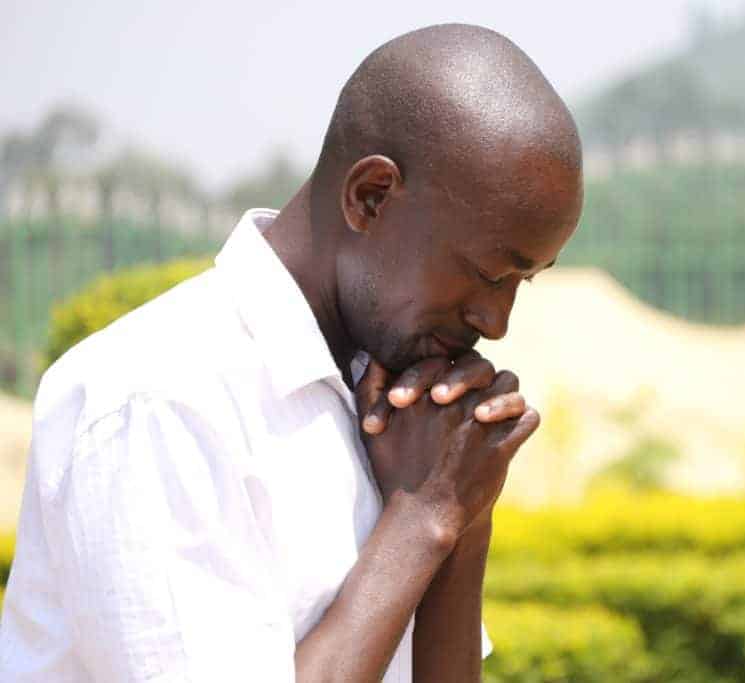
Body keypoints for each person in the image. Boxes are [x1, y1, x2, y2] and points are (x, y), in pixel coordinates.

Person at [0, 23, 583, 683]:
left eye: (523, 282)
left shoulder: (401, 407)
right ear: (370, 197)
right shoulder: (157, 398)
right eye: (487, 272)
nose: (497, 320)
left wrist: (463, 513)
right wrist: (422, 517)